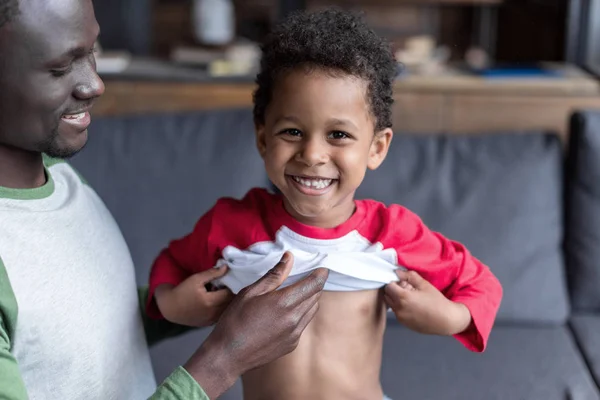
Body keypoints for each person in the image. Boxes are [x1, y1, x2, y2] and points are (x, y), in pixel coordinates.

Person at [148, 8, 504, 400]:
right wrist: (174, 304)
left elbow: (480, 284)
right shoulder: (230, 226)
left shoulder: (393, 234)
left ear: (377, 147)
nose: (313, 153)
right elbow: (171, 268)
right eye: (293, 132)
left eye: (338, 134)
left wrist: (449, 317)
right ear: (264, 139)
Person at [0, 0, 329, 399]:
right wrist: (225, 357)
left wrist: (177, 307)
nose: (94, 84)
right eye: (59, 68)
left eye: (91, 52)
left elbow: (72, 332)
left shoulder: (61, 178)